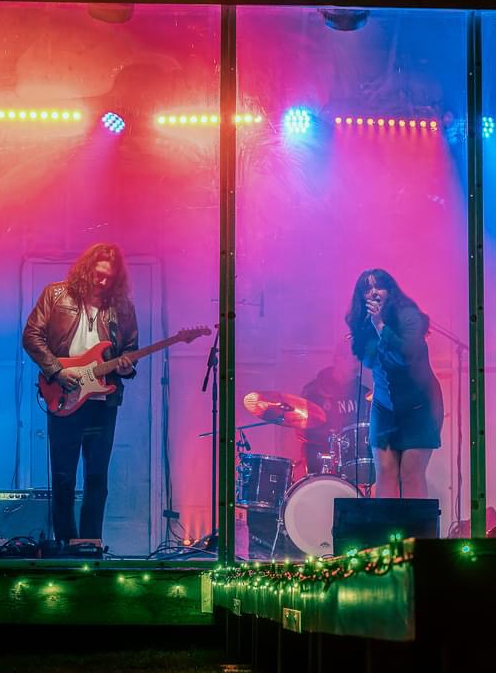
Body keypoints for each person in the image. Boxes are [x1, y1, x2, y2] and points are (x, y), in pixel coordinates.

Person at [23, 243, 138, 546]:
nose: (102, 282)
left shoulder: (122, 307)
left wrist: (126, 366)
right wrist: (57, 372)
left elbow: (129, 350)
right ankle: (64, 544)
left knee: (97, 479)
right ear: (86, 269)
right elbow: (31, 335)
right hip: (64, 394)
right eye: (98, 275)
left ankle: (89, 545)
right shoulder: (56, 294)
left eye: (108, 278)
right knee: (63, 477)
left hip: (103, 402)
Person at [345, 268, 443, 499]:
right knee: (386, 472)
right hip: (384, 406)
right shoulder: (364, 325)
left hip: (419, 406)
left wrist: (380, 326)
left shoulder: (408, 316)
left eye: (378, 286)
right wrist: (371, 327)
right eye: (366, 289)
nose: (373, 292)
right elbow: (368, 360)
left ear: (390, 290)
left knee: (410, 473)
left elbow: (404, 358)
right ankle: (385, 533)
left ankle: (416, 535)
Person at [297, 339, 371, 478]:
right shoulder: (314, 392)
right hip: (321, 456)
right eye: (353, 359)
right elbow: (302, 429)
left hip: (354, 458)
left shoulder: (364, 394)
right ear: (338, 359)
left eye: (358, 360)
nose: (357, 365)